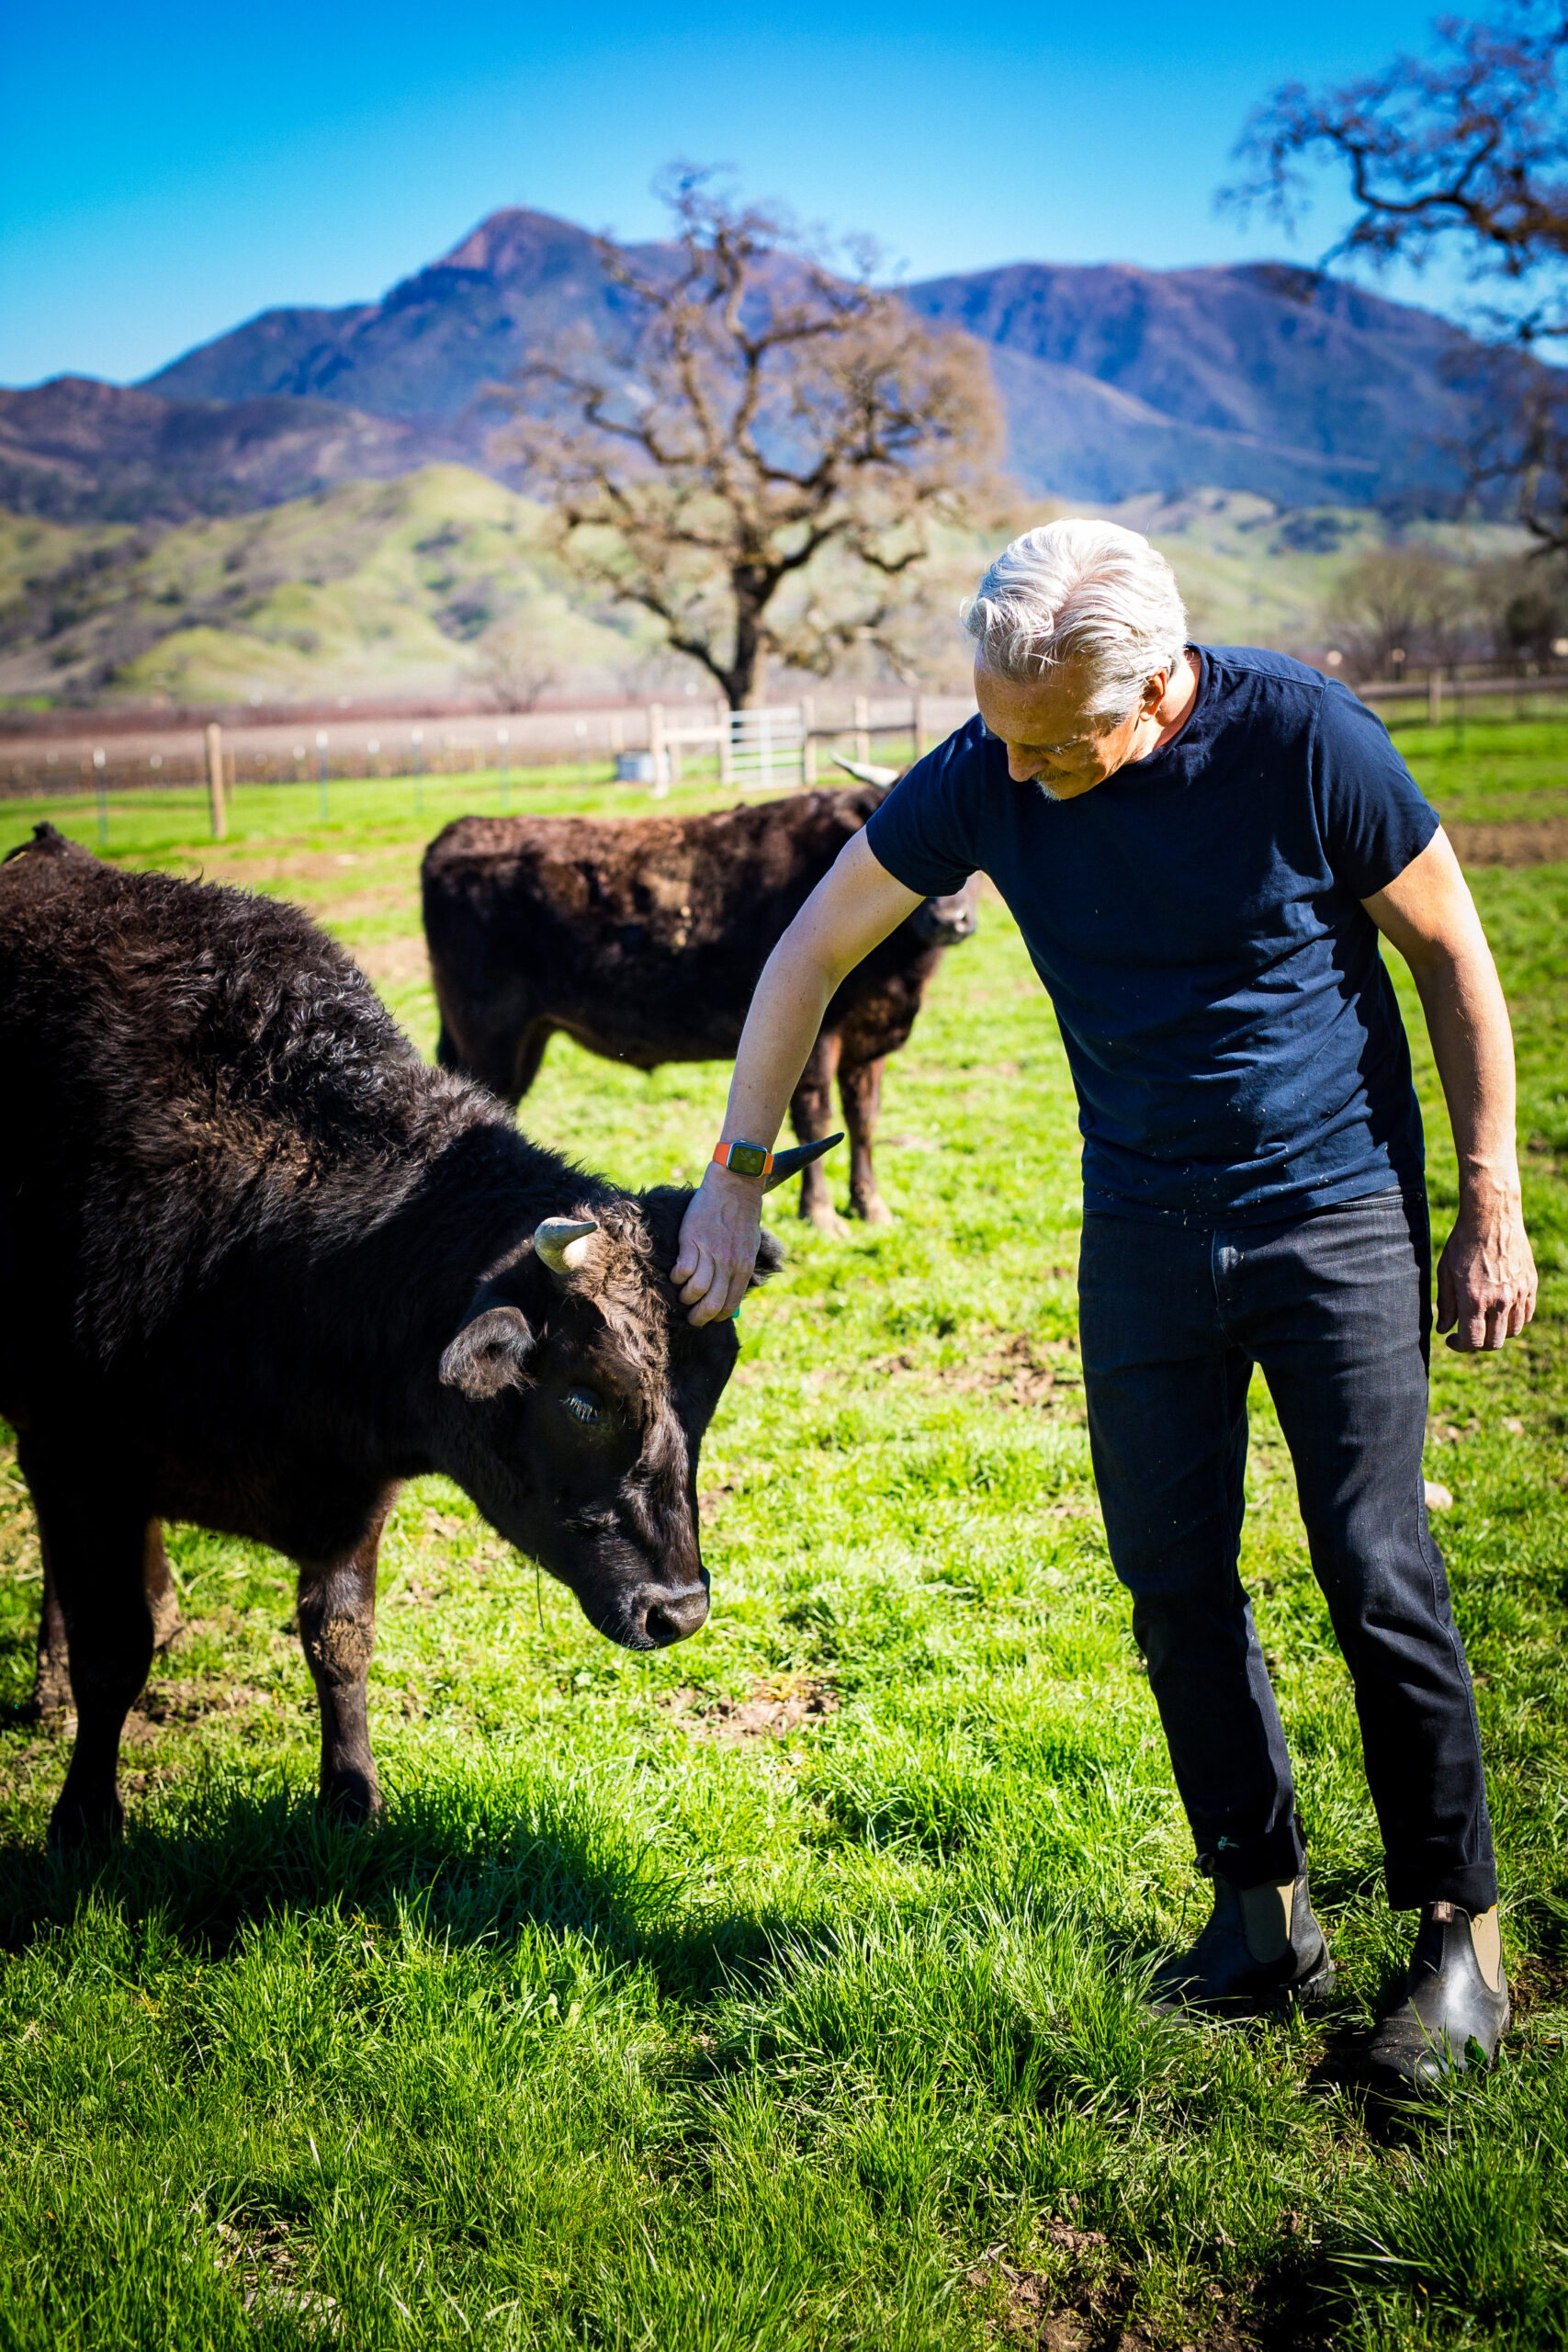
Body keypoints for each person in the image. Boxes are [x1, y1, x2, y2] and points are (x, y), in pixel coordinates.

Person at [672, 519, 1537, 2086]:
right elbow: (805, 954)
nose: (1029, 774)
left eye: (1062, 744)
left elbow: (1458, 962)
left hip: (1331, 1211)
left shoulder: (1306, 743)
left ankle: (1458, 1939)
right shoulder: (994, 765)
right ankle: (1259, 1918)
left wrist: (1492, 1197)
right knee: (1169, 1576)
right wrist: (735, 1170)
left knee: (1373, 1565)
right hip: (1139, 1225)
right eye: (1007, 740)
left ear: (1159, 686)